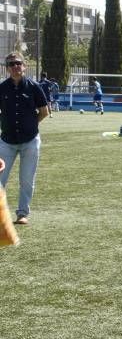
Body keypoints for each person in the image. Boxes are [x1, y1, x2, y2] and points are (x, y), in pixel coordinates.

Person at [0, 52, 48, 225]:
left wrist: (31, 125)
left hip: (30, 141)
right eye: (11, 64)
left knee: (27, 180)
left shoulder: (34, 87)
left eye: (18, 63)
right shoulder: (2, 88)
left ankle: (22, 213)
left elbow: (44, 112)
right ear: (7, 69)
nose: (15, 67)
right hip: (6, 142)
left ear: (24, 66)